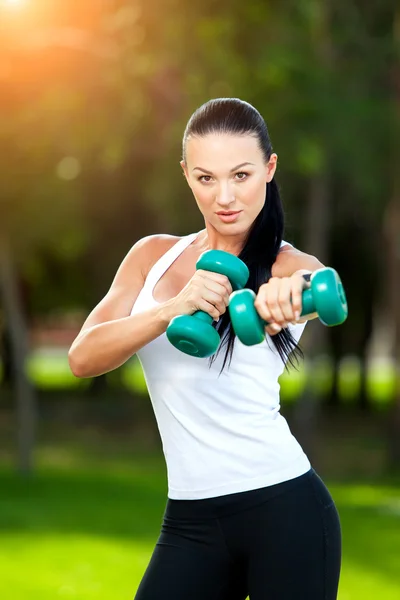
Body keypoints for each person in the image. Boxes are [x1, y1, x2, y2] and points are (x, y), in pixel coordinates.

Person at [68, 98, 342, 600]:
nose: (225, 197)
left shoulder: (284, 265)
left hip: (285, 512)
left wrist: (291, 293)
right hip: (191, 521)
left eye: (241, 175)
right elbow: (83, 358)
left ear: (269, 169)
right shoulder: (152, 256)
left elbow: (314, 287)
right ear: (186, 176)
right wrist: (170, 309)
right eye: (206, 178)